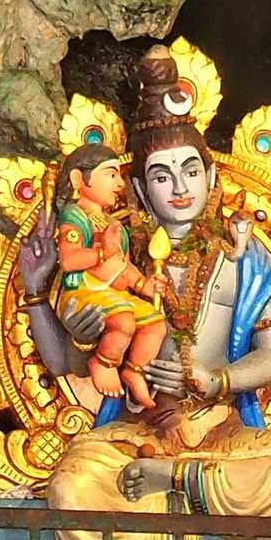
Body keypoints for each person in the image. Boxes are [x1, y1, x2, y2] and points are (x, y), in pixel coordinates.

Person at [31, 49, 271, 540]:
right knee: (70, 485)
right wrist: (42, 294)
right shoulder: (114, 258)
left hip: (222, 432)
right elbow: (67, 361)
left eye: (190, 171)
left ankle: (176, 483)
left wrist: (217, 379)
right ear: (139, 189)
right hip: (138, 433)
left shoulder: (245, 259)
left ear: (211, 177)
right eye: (161, 175)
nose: (179, 188)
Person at [48, 130, 165, 409]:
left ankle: (134, 370)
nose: (120, 184)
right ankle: (103, 363)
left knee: (155, 323)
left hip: (113, 295)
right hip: (82, 294)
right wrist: (103, 252)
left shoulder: (114, 226)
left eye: (119, 176)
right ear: (78, 179)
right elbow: (69, 261)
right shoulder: (74, 216)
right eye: (110, 175)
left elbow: (123, 266)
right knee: (123, 321)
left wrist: (143, 285)